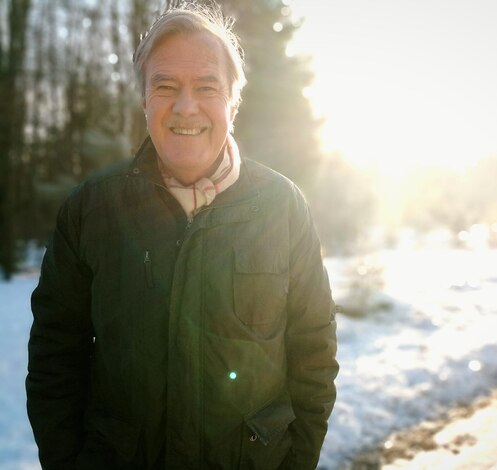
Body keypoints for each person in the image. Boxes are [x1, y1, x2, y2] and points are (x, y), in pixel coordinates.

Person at [26, 4, 338, 469]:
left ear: (233, 102)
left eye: (207, 87)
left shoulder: (283, 207)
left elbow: (314, 352)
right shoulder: (92, 209)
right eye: (165, 86)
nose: (185, 106)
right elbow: (56, 357)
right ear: (145, 101)